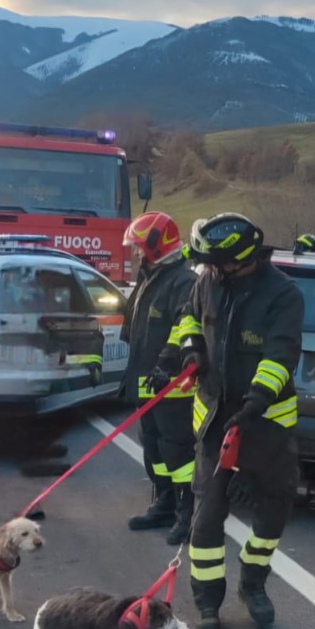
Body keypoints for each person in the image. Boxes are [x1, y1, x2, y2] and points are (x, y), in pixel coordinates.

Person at [152, 212, 304, 629]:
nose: (210, 269)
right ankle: (206, 601)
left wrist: (255, 404)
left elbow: (281, 355)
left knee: (273, 512)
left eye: (216, 262)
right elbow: (188, 318)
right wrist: (191, 351)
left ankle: (253, 584)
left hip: (267, 423)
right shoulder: (208, 282)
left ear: (242, 259)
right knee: (207, 518)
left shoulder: (283, 296)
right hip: (215, 421)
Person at [122, 212, 199, 545]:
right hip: (145, 378)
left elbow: (185, 328)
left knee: (177, 452)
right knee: (152, 446)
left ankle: (187, 515)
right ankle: (164, 503)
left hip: (172, 384)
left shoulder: (183, 282)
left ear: (156, 247)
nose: (136, 254)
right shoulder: (149, 277)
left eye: (139, 248)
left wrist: (167, 367)